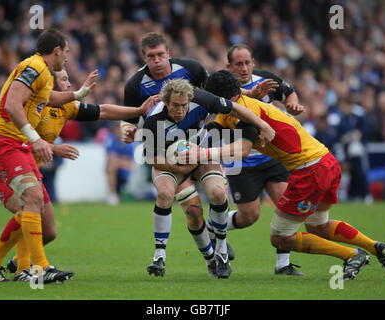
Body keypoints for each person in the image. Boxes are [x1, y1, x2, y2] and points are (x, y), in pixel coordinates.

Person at [178, 70, 385, 281]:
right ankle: (375, 247)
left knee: (280, 237)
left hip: (310, 170)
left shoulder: (246, 113)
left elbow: (244, 150)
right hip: (326, 162)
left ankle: (352, 255)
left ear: (219, 98)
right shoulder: (233, 110)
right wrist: (184, 143)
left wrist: (203, 153)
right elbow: (212, 133)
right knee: (318, 226)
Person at [0, 68, 158, 280]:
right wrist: (55, 149)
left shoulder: (67, 107)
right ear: (51, 85)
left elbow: (102, 111)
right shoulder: (32, 105)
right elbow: (17, 140)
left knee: (49, 232)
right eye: (63, 79)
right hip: (8, 166)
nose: (68, 83)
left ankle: (11, 262)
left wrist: (137, 111)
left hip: (31, 169)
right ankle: (22, 268)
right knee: (28, 213)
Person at [121, 32, 236, 266]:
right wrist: (127, 131)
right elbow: (129, 118)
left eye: (161, 54)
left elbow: (217, 97)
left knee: (218, 194)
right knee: (193, 211)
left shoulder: (192, 69)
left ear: (169, 53)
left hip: (201, 145)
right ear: (144, 57)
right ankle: (211, 259)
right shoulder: (135, 85)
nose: (157, 60)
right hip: (166, 150)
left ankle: (219, 239)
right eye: (151, 56)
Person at [142, 78, 274, 279]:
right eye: (175, 105)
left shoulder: (203, 99)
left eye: (184, 105)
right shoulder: (153, 119)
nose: (180, 110)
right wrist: (179, 167)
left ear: (190, 100)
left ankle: (221, 251)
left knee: (219, 193)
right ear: (166, 102)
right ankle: (162, 256)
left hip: (200, 154)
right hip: (170, 162)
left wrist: (263, 125)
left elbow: (236, 109)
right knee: (173, 199)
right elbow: (152, 158)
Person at [0, 29, 80, 283]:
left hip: (18, 145)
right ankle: (37, 269)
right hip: (5, 142)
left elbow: (51, 99)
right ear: (57, 50)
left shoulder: (42, 73)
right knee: (31, 199)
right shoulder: (35, 67)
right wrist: (37, 140)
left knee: (44, 221)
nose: (66, 58)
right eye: (66, 51)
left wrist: (79, 94)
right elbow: (12, 105)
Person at [216, 43, 305, 275]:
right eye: (238, 64)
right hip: (242, 161)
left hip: (272, 156)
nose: (243, 68)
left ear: (253, 62)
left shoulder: (266, 79)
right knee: (250, 215)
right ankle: (212, 229)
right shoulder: (223, 88)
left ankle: (282, 264)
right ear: (229, 66)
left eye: (247, 62)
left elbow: (288, 92)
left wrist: (292, 104)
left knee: (286, 206)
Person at [105, 121, 135, 206]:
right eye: (116, 128)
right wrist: (121, 161)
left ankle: (113, 195)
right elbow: (110, 157)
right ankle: (112, 195)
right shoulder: (110, 139)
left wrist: (118, 161)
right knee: (111, 166)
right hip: (117, 169)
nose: (117, 130)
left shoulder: (129, 140)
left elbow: (130, 163)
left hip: (128, 170)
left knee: (112, 164)